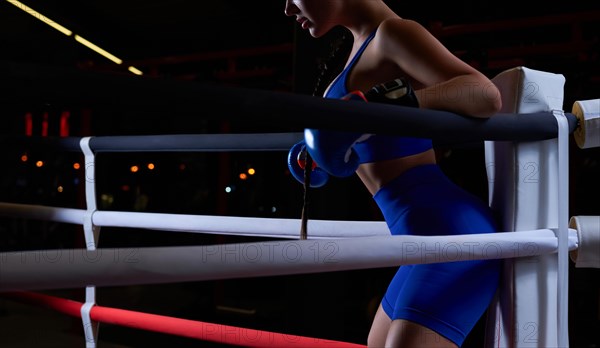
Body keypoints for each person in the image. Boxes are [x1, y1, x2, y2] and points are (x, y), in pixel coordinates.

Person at [284, 1, 503, 347]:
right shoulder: (362, 45)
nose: (287, 9)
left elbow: (485, 94)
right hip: (419, 243)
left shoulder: (393, 33)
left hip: (451, 240)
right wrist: (318, 152)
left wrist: (390, 105)